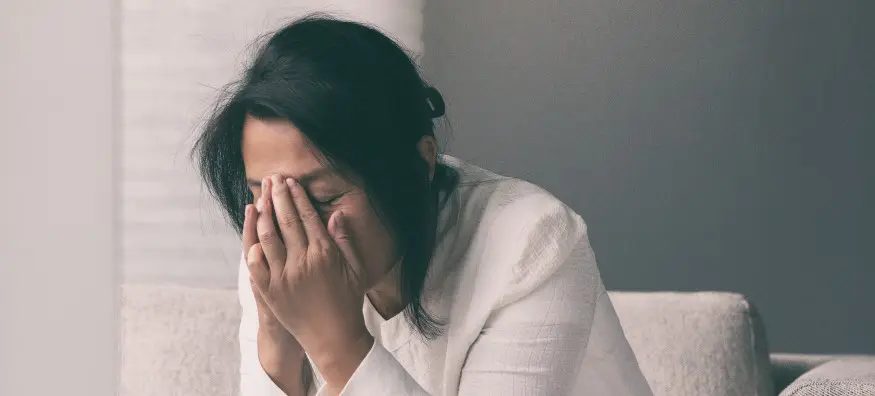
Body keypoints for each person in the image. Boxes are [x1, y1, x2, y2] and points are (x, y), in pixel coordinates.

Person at [191, 13, 653, 396]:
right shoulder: (276, 241)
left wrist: (337, 344)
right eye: (264, 193)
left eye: (324, 197)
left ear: (419, 166)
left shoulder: (532, 243)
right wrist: (277, 351)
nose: (293, 224)